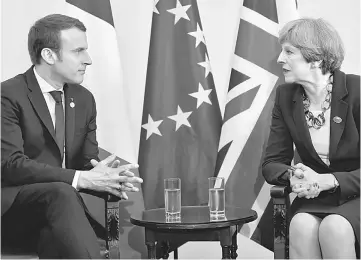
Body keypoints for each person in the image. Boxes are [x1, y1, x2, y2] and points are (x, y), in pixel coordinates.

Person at [1, 14, 143, 259]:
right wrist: (81, 179)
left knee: (56, 239)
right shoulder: (8, 95)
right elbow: (10, 166)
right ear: (49, 55)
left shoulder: (84, 99)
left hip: (58, 214)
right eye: (78, 51)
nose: (88, 60)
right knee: (62, 192)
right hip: (11, 214)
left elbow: (85, 164)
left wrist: (108, 177)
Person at [262, 18, 359, 259]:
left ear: (315, 58)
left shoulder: (357, 91)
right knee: (301, 226)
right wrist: (293, 175)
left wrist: (329, 180)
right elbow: (272, 162)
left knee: (334, 228)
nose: (279, 59)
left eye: (289, 52)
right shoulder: (285, 96)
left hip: (356, 194)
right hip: (315, 197)